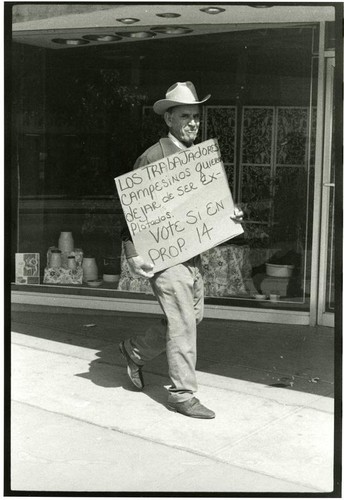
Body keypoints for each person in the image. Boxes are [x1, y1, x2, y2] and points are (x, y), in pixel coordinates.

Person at [119, 81, 243, 419]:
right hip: (166, 258)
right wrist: (133, 252)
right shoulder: (154, 155)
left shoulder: (197, 157)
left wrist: (228, 215)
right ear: (169, 119)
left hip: (192, 255)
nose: (193, 123)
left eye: (196, 117)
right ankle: (182, 394)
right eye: (185, 116)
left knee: (191, 318)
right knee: (184, 323)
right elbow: (133, 209)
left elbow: (202, 207)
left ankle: (136, 351)